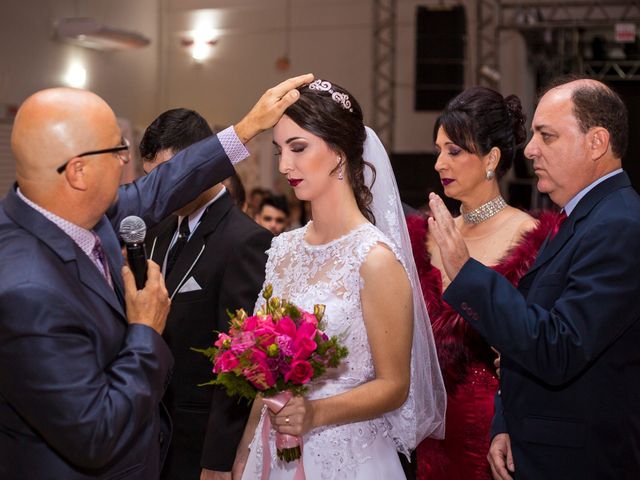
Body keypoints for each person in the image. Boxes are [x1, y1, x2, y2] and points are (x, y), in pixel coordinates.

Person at [0, 73, 313, 479]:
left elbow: (165, 183)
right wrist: (145, 331)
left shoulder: (79, 214)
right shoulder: (28, 288)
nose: (127, 160)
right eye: (117, 149)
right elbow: (96, 434)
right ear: (77, 172)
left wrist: (246, 127)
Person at [233, 79, 446, 479]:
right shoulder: (283, 249)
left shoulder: (375, 258)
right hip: (271, 450)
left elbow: (395, 384)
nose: (283, 166)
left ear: (339, 153)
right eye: (280, 151)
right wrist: (245, 449)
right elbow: (266, 374)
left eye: (298, 148)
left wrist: (315, 413)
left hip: (348, 456)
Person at [429, 77, 640, 480]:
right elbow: (527, 337)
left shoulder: (620, 225)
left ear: (596, 143)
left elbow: (559, 347)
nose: (529, 150)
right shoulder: (581, 220)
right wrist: (506, 423)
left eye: (547, 136)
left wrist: (465, 271)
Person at [407, 87, 558, 480]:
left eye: (455, 151)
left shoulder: (528, 237)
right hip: (426, 429)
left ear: (491, 158)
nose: (440, 162)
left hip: (492, 429)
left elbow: (534, 341)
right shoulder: (426, 235)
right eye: (439, 149)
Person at [139, 108, 273, 480]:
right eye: (151, 180)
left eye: (167, 177)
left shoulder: (245, 240)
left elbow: (241, 360)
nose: (158, 191)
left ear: (201, 165)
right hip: (145, 432)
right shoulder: (157, 229)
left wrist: (219, 457)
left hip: (196, 440)